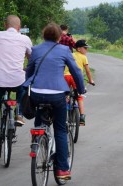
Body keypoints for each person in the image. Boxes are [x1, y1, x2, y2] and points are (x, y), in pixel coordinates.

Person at [24, 23, 85, 180]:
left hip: (37, 93)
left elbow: (29, 70)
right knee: (60, 130)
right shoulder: (64, 50)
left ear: (44, 36)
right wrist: (81, 88)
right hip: (57, 94)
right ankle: (63, 169)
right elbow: (76, 71)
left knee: (40, 120)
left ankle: (37, 139)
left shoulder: (36, 49)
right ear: (59, 37)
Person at [0, 15, 32, 154]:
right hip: (18, 79)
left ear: (5, 25)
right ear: (19, 28)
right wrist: (27, 69)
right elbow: (31, 59)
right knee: (23, 91)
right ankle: (19, 114)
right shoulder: (25, 39)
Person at [64, 39, 94, 126]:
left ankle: (64, 115)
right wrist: (90, 80)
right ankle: (81, 117)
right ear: (78, 49)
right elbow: (88, 71)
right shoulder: (84, 57)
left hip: (65, 76)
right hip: (76, 78)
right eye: (85, 48)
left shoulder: (70, 55)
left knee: (65, 96)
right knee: (79, 97)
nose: (86, 50)